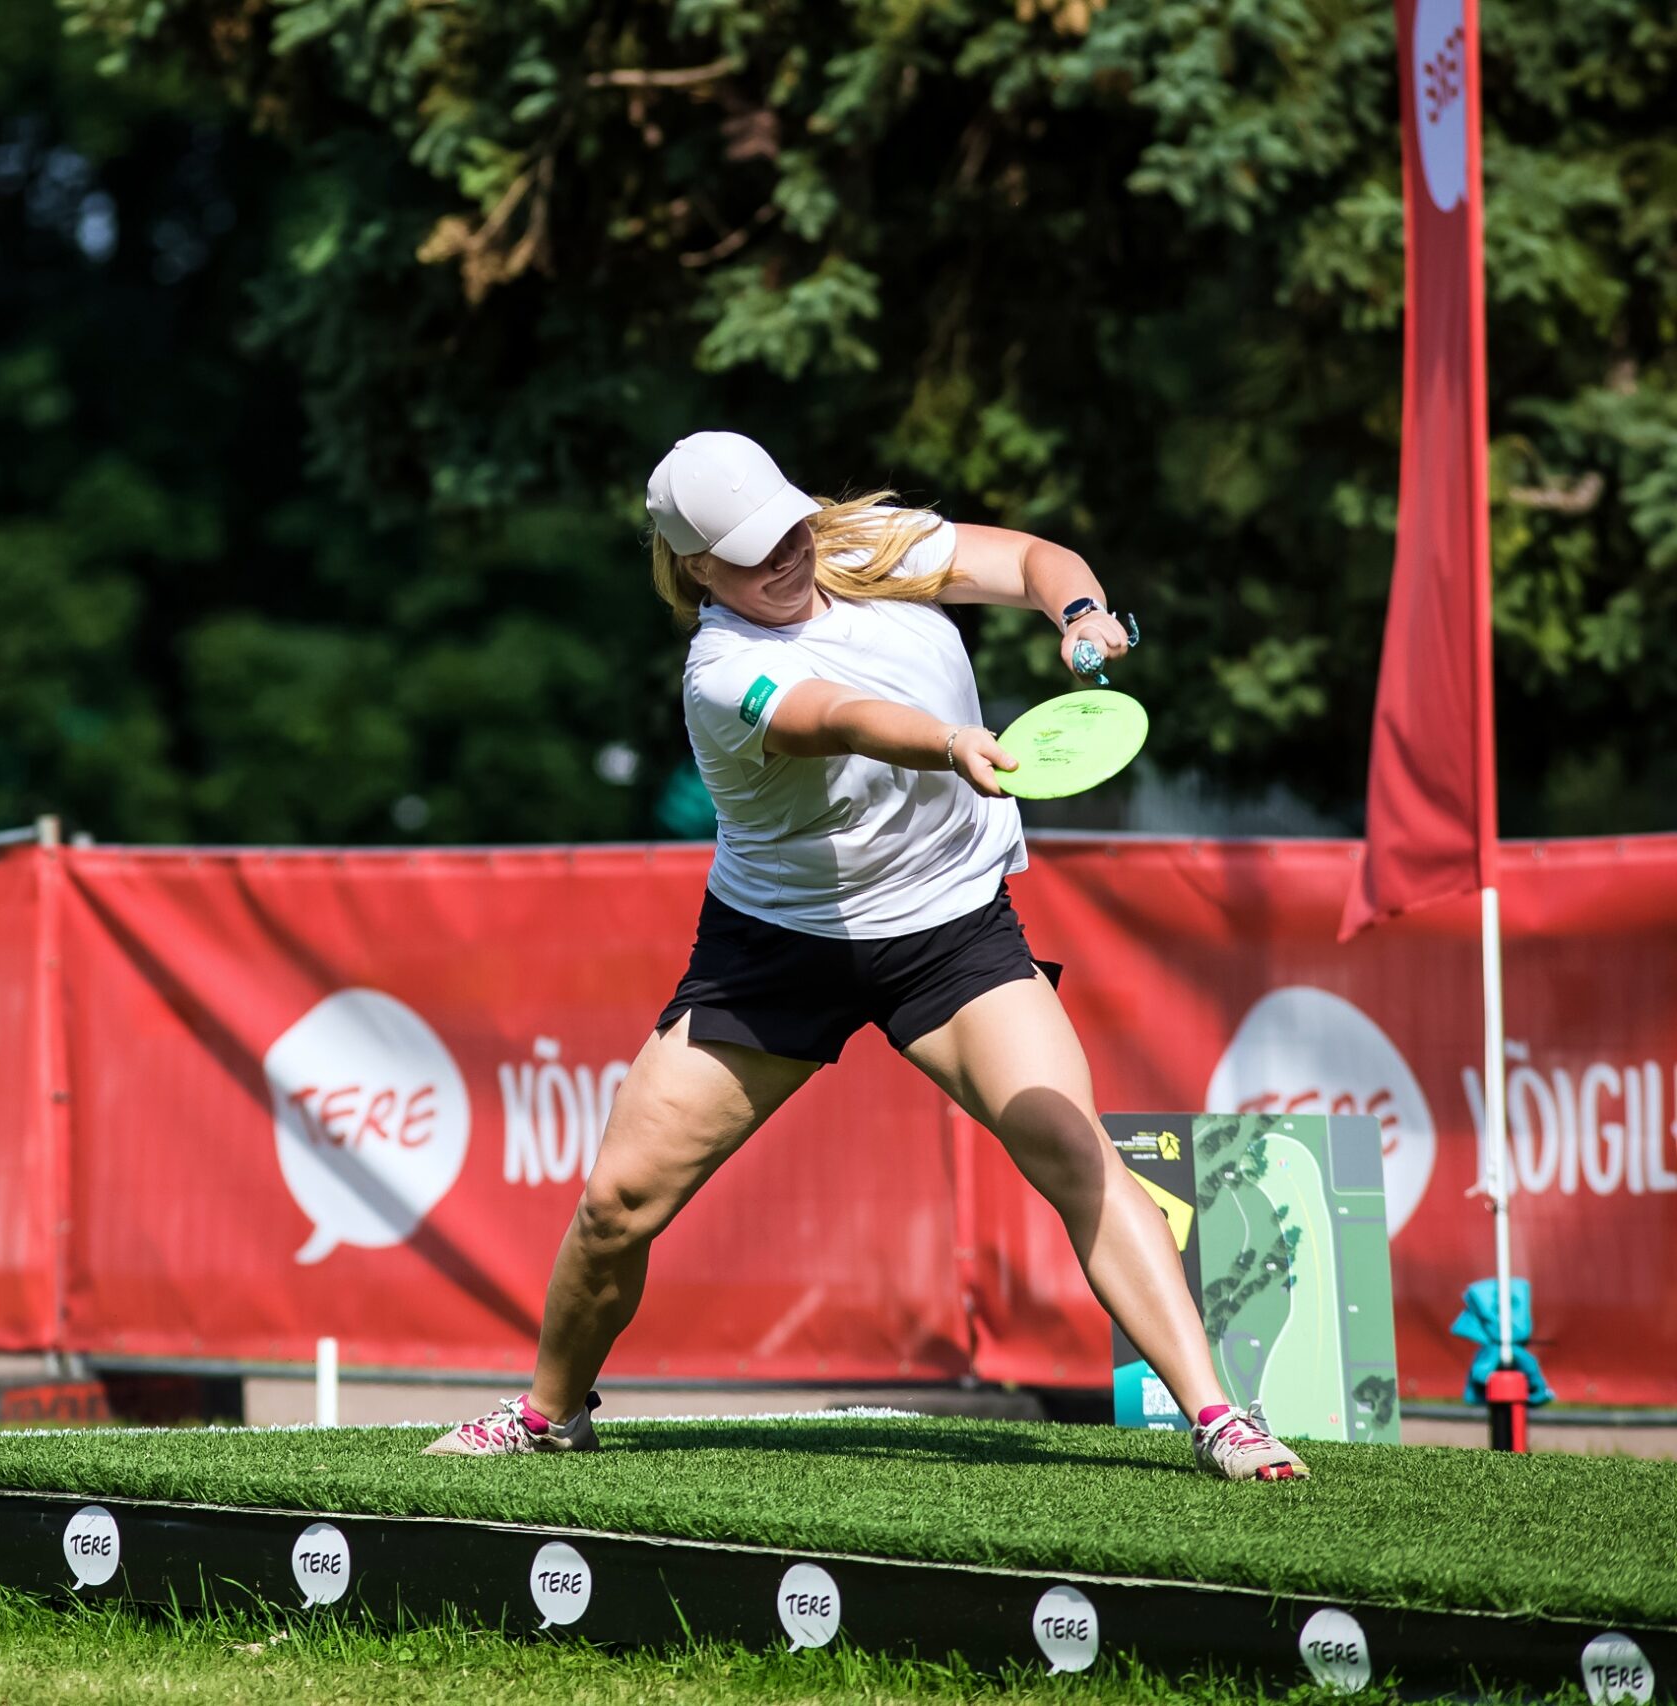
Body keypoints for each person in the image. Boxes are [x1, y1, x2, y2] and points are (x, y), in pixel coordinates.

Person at [425, 430, 1306, 1481]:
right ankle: (546, 1414)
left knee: (1072, 1148)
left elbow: (1030, 560)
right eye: (750, 551)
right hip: (775, 950)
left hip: (949, 931)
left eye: (787, 525)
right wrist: (946, 740)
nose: (786, 554)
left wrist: (1077, 614)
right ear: (694, 567)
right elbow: (835, 718)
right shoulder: (722, 674)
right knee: (618, 1205)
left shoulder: (862, 544)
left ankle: (1219, 1418)